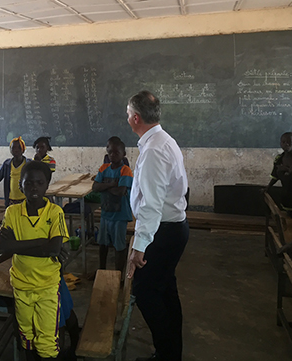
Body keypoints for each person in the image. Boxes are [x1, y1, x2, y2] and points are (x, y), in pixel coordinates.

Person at [126, 90, 189, 361]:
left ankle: (166, 353)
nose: (127, 118)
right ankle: (170, 351)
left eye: (128, 114)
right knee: (165, 289)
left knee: (146, 291)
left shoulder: (153, 150)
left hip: (162, 231)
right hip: (171, 228)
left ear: (136, 118)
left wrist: (139, 246)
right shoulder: (164, 140)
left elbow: (151, 205)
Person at [0, 161, 69, 360]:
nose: (34, 187)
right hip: (21, 285)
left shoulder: (55, 213)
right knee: (26, 337)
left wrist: (18, 245)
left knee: (47, 342)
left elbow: (54, 249)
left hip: (47, 286)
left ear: (47, 185)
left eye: (39, 183)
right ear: (20, 185)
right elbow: (2, 247)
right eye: (28, 183)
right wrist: (40, 242)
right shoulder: (12, 212)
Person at [92, 137, 133, 272]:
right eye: (110, 153)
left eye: (116, 153)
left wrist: (104, 186)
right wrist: (111, 184)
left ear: (123, 154)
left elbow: (120, 191)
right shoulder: (104, 168)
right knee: (102, 244)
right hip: (106, 212)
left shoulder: (126, 170)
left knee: (119, 245)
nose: (112, 156)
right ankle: (101, 270)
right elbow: (95, 187)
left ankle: (118, 274)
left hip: (119, 215)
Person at [266, 132, 292, 215]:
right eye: (283, 142)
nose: (286, 144)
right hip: (286, 193)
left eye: (289, 142)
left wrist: (286, 169)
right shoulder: (279, 159)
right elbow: (275, 176)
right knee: (288, 214)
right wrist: (268, 187)